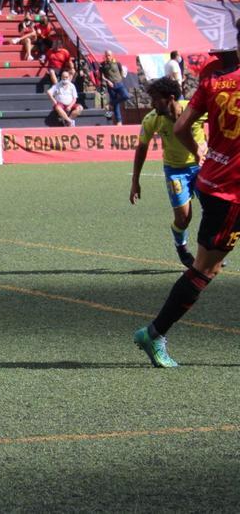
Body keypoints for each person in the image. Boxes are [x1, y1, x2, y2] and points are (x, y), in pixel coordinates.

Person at [133, 45, 240, 368]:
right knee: (206, 268)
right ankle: (155, 332)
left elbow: (181, 128)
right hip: (231, 192)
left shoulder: (214, 83)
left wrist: (202, 154)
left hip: (213, 180)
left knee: (209, 266)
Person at [130, 77, 207, 270]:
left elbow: (220, 118)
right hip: (175, 171)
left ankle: (209, 254)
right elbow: (142, 148)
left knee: (213, 212)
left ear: (170, 98)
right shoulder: (152, 119)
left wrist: (209, 144)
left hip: (203, 167)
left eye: (156, 99)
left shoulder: (194, 109)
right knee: (183, 218)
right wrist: (135, 181)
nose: (152, 103)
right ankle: (181, 247)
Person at [99, 50, 128, 125]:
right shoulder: (102, 65)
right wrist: (107, 81)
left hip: (119, 84)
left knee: (126, 96)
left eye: (109, 55)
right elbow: (101, 76)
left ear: (112, 56)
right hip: (110, 85)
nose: (108, 57)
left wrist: (120, 79)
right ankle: (119, 121)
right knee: (116, 105)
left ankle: (110, 104)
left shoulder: (117, 63)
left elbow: (121, 71)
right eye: (106, 55)